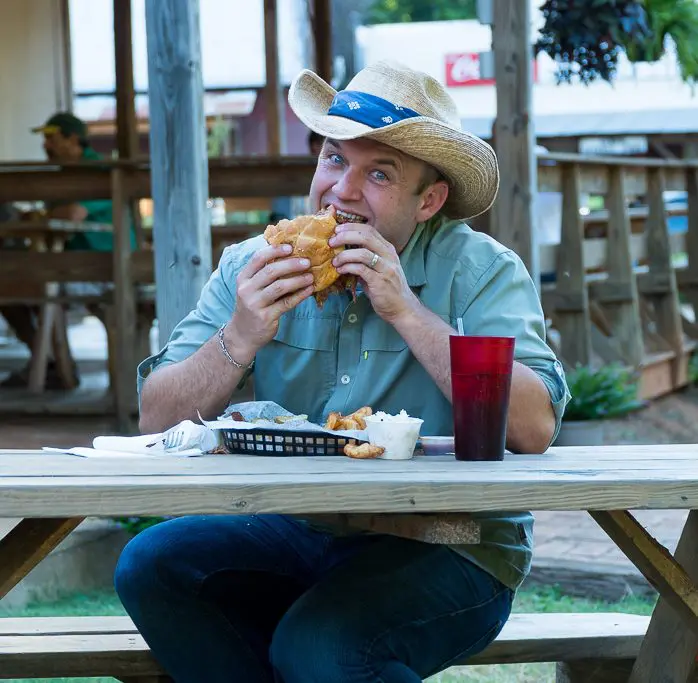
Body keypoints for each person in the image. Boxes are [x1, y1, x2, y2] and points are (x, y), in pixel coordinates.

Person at [114, 61, 570, 682]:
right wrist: (240, 335)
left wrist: (407, 311)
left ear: (429, 200)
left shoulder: (484, 272)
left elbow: (534, 427)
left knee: (321, 648)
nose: (342, 192)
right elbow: (156, 418)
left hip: (453, 540)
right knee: (152, 564)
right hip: (298, 526)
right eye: (334, 160)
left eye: (378, 173)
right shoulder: (254, 264)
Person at [0, 112, 133, 389]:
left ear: (73, 139)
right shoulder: (61, 175)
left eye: (52, 138)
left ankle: (54, 366)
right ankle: (52, 363)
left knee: (28, 287)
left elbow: (72, 213)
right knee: (12, 289)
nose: (46, 145)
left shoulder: (99, 171)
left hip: (105, 268)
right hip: (68, 267)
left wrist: (38, 216)